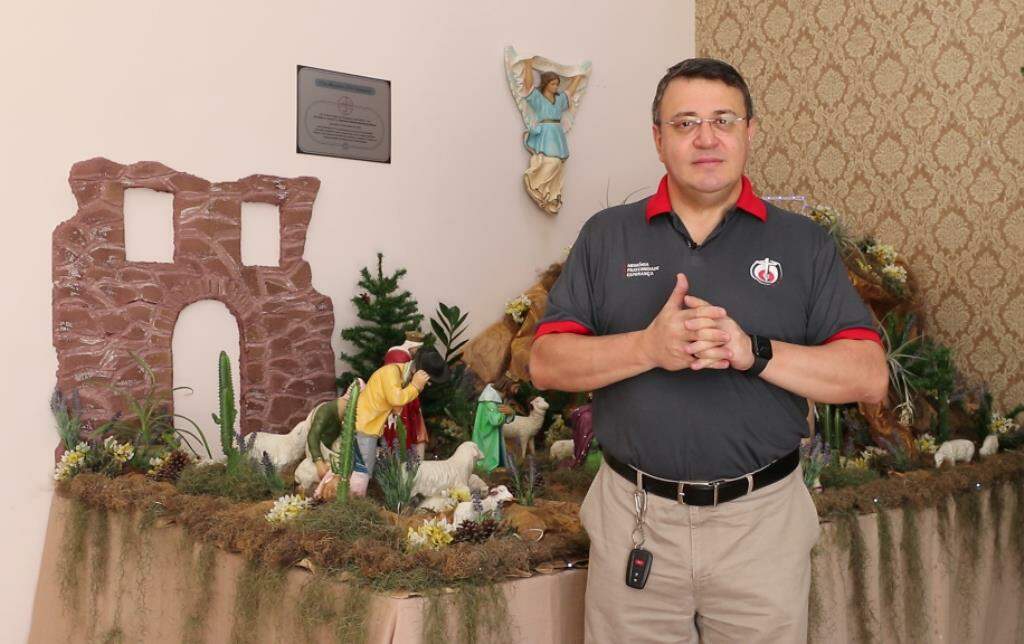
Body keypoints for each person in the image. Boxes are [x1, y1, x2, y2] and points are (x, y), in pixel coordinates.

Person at [529, 58, 888, 643]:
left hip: (762, 527)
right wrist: (648, 347)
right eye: (685, 122)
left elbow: (869, 376)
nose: (706, 138)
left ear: (749, 131)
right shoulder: (606, 236)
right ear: (658, 138)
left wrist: (754, 351)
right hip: (635, 521)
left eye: (724, 120)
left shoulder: (802, 243)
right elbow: (546, 363)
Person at [518, 57, 585, 214]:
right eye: (553, 84)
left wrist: (579, 76)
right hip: (546, 132)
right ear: (546, 84)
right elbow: (528, 86)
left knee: (557, 163)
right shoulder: (539, 99)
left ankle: (549, 192)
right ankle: (536, 184)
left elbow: (570, 92)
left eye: (557, 84)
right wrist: (527, 64)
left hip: (556, 132)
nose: (556, 87)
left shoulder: (559, 100)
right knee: (552, 161)